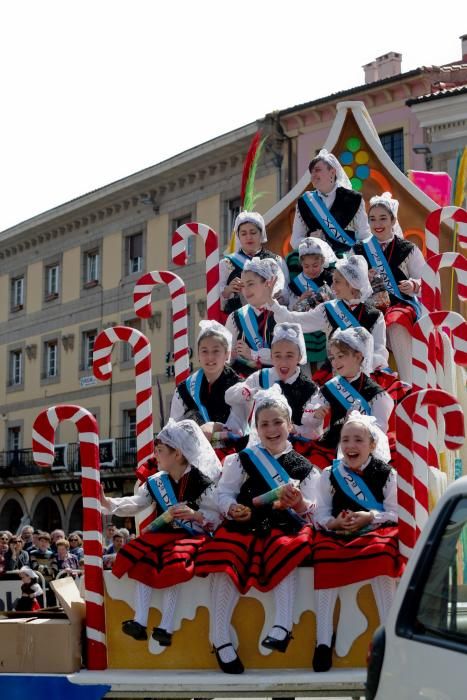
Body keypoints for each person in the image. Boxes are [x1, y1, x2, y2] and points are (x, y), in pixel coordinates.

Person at [195, 387, 320, 674]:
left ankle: (282, 624)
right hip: (244, 525)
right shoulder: (242, 459)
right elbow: (223, 493)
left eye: (277, 422)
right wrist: (231, 509)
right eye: (264, 424)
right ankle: (220, 637)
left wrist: (300, 503)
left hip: (283, 525)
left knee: (287, 548)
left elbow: (314, 508)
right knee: (226, 558)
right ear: (256, 428)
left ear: (290, 425)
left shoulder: (305, 468)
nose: (271, 429)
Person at [99, 419, 221, 646]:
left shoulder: (202, 481)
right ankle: (140, 620)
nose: (155, 455)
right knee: (139, 555)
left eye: (160, 450)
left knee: (173, 564)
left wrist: (194, 515)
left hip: (190, 538)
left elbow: (217, 516)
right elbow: (136, 503)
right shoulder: (157, 481)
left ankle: (166, 626)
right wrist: (107, 502)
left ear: (178, 454)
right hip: (160, 536)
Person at [312, 412, 403, 672]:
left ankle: (389, 639)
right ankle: (322, 641)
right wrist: (334, 524)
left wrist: (369, 517)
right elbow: (321, 513)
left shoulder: (386, 474)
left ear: (372, 445)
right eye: (346, 440)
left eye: (358, 440)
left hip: (374, 531)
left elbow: (396, 513)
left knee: (383, 554)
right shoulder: (330, 474)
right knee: (324, 555)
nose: (351, 446)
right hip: (338, 533)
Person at [267, 255, 388, 380]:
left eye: (337, 282)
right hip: (335, 375)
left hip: (366, 377)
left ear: (351, 284)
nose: (332, 287)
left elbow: (379, 352)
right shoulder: (328, 309)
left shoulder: (375, 316)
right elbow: (295, 320)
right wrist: (271, 303)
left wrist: (359, 369)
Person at [352, 192, 425, 384]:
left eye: (383, 218)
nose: (378, 223)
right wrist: (361, 279)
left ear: (393, 220)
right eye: (373, 219)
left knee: (396, 321)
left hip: (400, 303)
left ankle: (409, 383)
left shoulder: (407, 248)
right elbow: (346, 281)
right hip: (369, 305)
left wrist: (414, 285)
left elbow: (426, 280)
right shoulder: (358, 249)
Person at [302, 327, 394, 468]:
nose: (335, 362)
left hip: (362, 450)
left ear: (358, 356)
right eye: (332, 358)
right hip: (332, 445)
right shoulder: (330, 387)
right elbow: (307, 420)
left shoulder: (376, 394)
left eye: (340, 356)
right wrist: (316, 414)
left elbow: (380, 430)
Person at [225, 322, 317, 442]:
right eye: (278, 356)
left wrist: (292, 428)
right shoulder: (262, 377)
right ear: (271, 357)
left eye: (289, 356)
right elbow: (229, 397)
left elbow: (315, 432)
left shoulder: (309, 389)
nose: (283, 362)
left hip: (293, 447)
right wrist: (247, 393)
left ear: (299, 357)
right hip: (259, 443)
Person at [170, 320, 249, 452]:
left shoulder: (239, 387)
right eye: (204, 351)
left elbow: (238, 431)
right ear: (199, 355)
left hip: (232, 457)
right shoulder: (184, 390)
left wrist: (213, 427)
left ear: (227, 354)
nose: (210, 357)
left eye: (216, 351)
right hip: (194, 456)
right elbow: (173, 428)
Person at [290, 149, 370, 256]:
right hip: (316, 266)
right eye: (311, 172)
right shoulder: (304, 202)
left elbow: (364, 237)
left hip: (346, 263)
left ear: (332, 172)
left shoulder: (353, 199)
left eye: (317, 170)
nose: (313, 175)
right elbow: (295, 241)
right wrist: (310, 240)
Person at [220, 211, 289, 314]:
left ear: (261, 233)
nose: (249, 237)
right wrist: (229, 290)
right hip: (240, 322)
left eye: (253, 232)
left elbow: (286, 293)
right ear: (238, 236)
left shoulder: (276, 261)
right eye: (243, 233)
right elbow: (216, 300)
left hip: (270, 319)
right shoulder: (226, 263)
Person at [226, 256, 284, 377]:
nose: (245, 290)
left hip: (277, 383)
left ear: (267, 284)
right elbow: (227, 360)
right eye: (243, 286)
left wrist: (251, 354)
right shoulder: (235, 317)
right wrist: (231, 355)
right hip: (246, 386)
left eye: (251, 284)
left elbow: (285, 356)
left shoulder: (281, 314)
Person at [288, 237, 336, 367]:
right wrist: (301, 299)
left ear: (323, 261)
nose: (311, 270)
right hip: (306, 328)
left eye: (315, 265)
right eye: (306, 266)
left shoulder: (332, 278)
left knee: (326, 365)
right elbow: (291, 310)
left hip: (327, 327)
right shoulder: (296, 284)